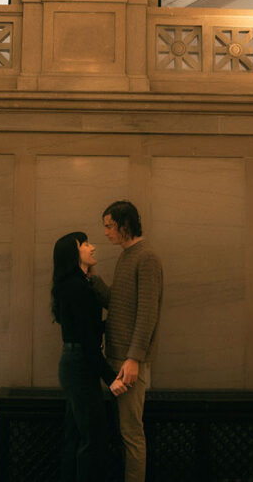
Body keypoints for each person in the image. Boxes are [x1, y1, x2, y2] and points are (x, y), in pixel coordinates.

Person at [90, 200, 163, 482]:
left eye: (109, 226)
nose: (106, 232)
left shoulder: (146, 257)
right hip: (116, 359)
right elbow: (117, 303)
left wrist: (134, 359)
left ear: (125, 225)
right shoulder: (126, 255)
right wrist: (93, 277)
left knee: (131, 434)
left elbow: (147, 314)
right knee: (120, 432)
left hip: (128, 363)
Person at [52, 231, 128, 482]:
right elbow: (87, 339)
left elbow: (87, 330)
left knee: (75, 436)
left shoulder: (76, 284)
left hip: (77, 362)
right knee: (92, 438)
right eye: (84, 244)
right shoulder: (75, 287)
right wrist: (110, 377)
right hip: (80, 364)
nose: (92, 247)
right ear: (74, 254)